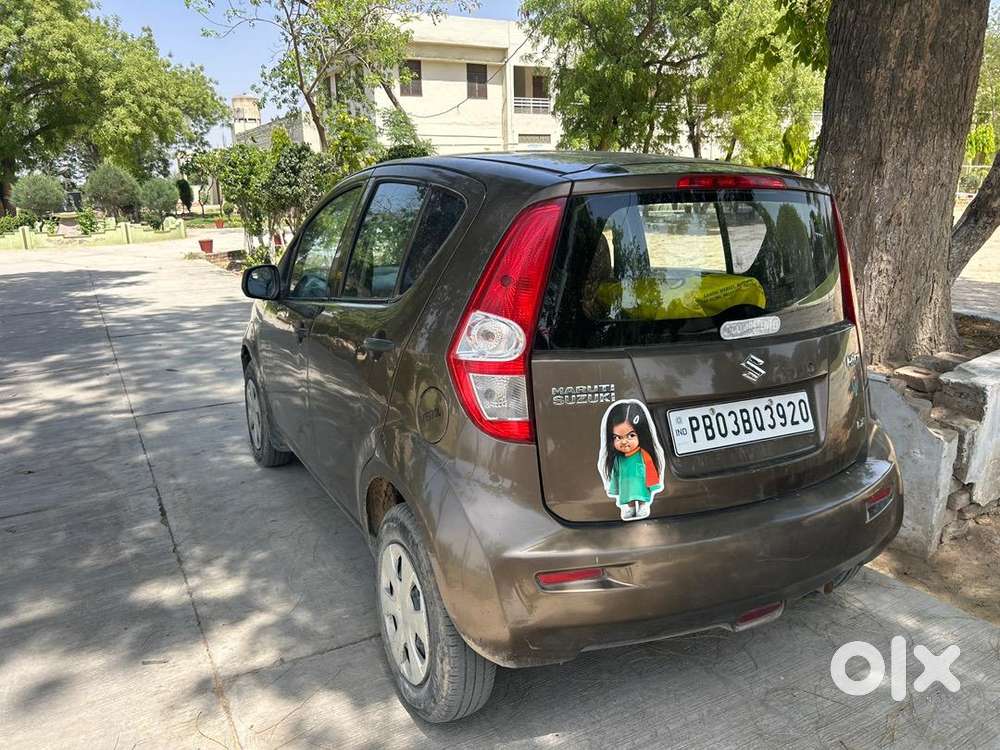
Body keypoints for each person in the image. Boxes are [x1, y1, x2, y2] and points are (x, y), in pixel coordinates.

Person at [598, 400, 665, 521]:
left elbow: (651, 471)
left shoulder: (644, 455)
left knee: (641, 495)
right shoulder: (618, 459)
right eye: (618, 437)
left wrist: (653, 485)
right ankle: (631, 507)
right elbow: (615, 475)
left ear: (641, 434)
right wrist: (614, 489)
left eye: (631, 436)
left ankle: (643, 505)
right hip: (626, 486)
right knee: (629, 496)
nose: (624, 441)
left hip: (641, 485)